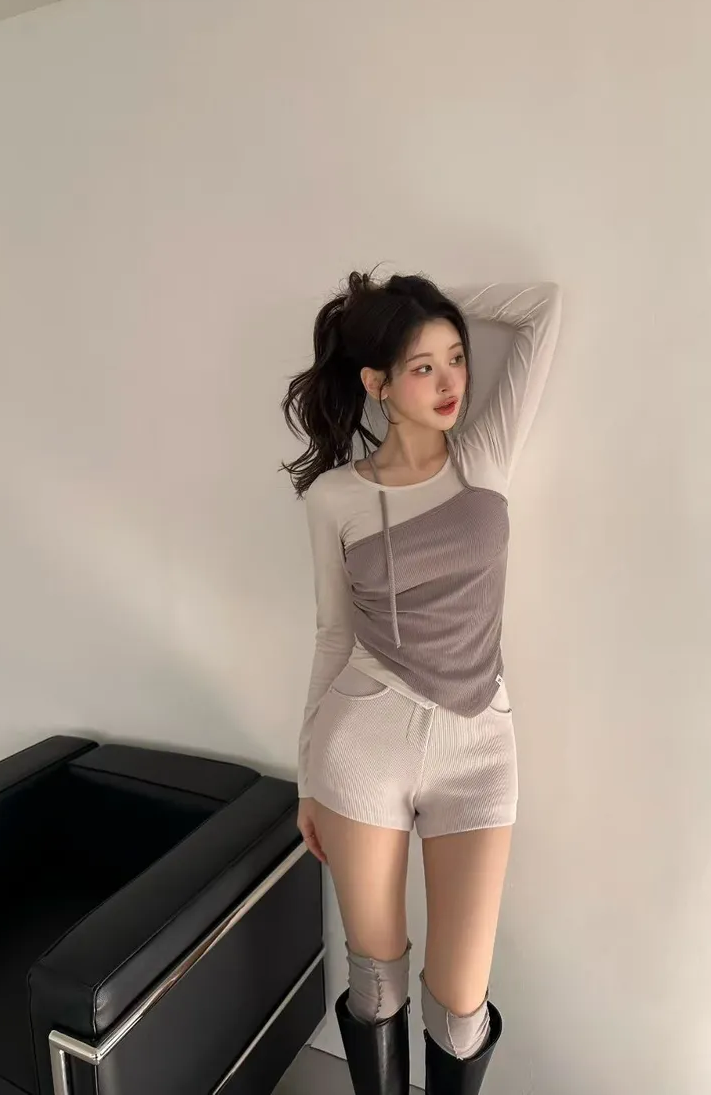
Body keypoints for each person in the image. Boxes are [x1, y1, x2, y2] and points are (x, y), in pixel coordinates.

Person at [281, 270, 562, 1095]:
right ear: (378, 384)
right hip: (362, 744)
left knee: (462, 1005)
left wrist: (413, 302)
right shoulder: (334, 497)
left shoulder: (484, 458)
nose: (449, 382)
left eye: (456, 359)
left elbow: (544, 308)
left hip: (479, 747)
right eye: (422, 366)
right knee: (376, 984)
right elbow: (333, 635)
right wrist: (307, 777)